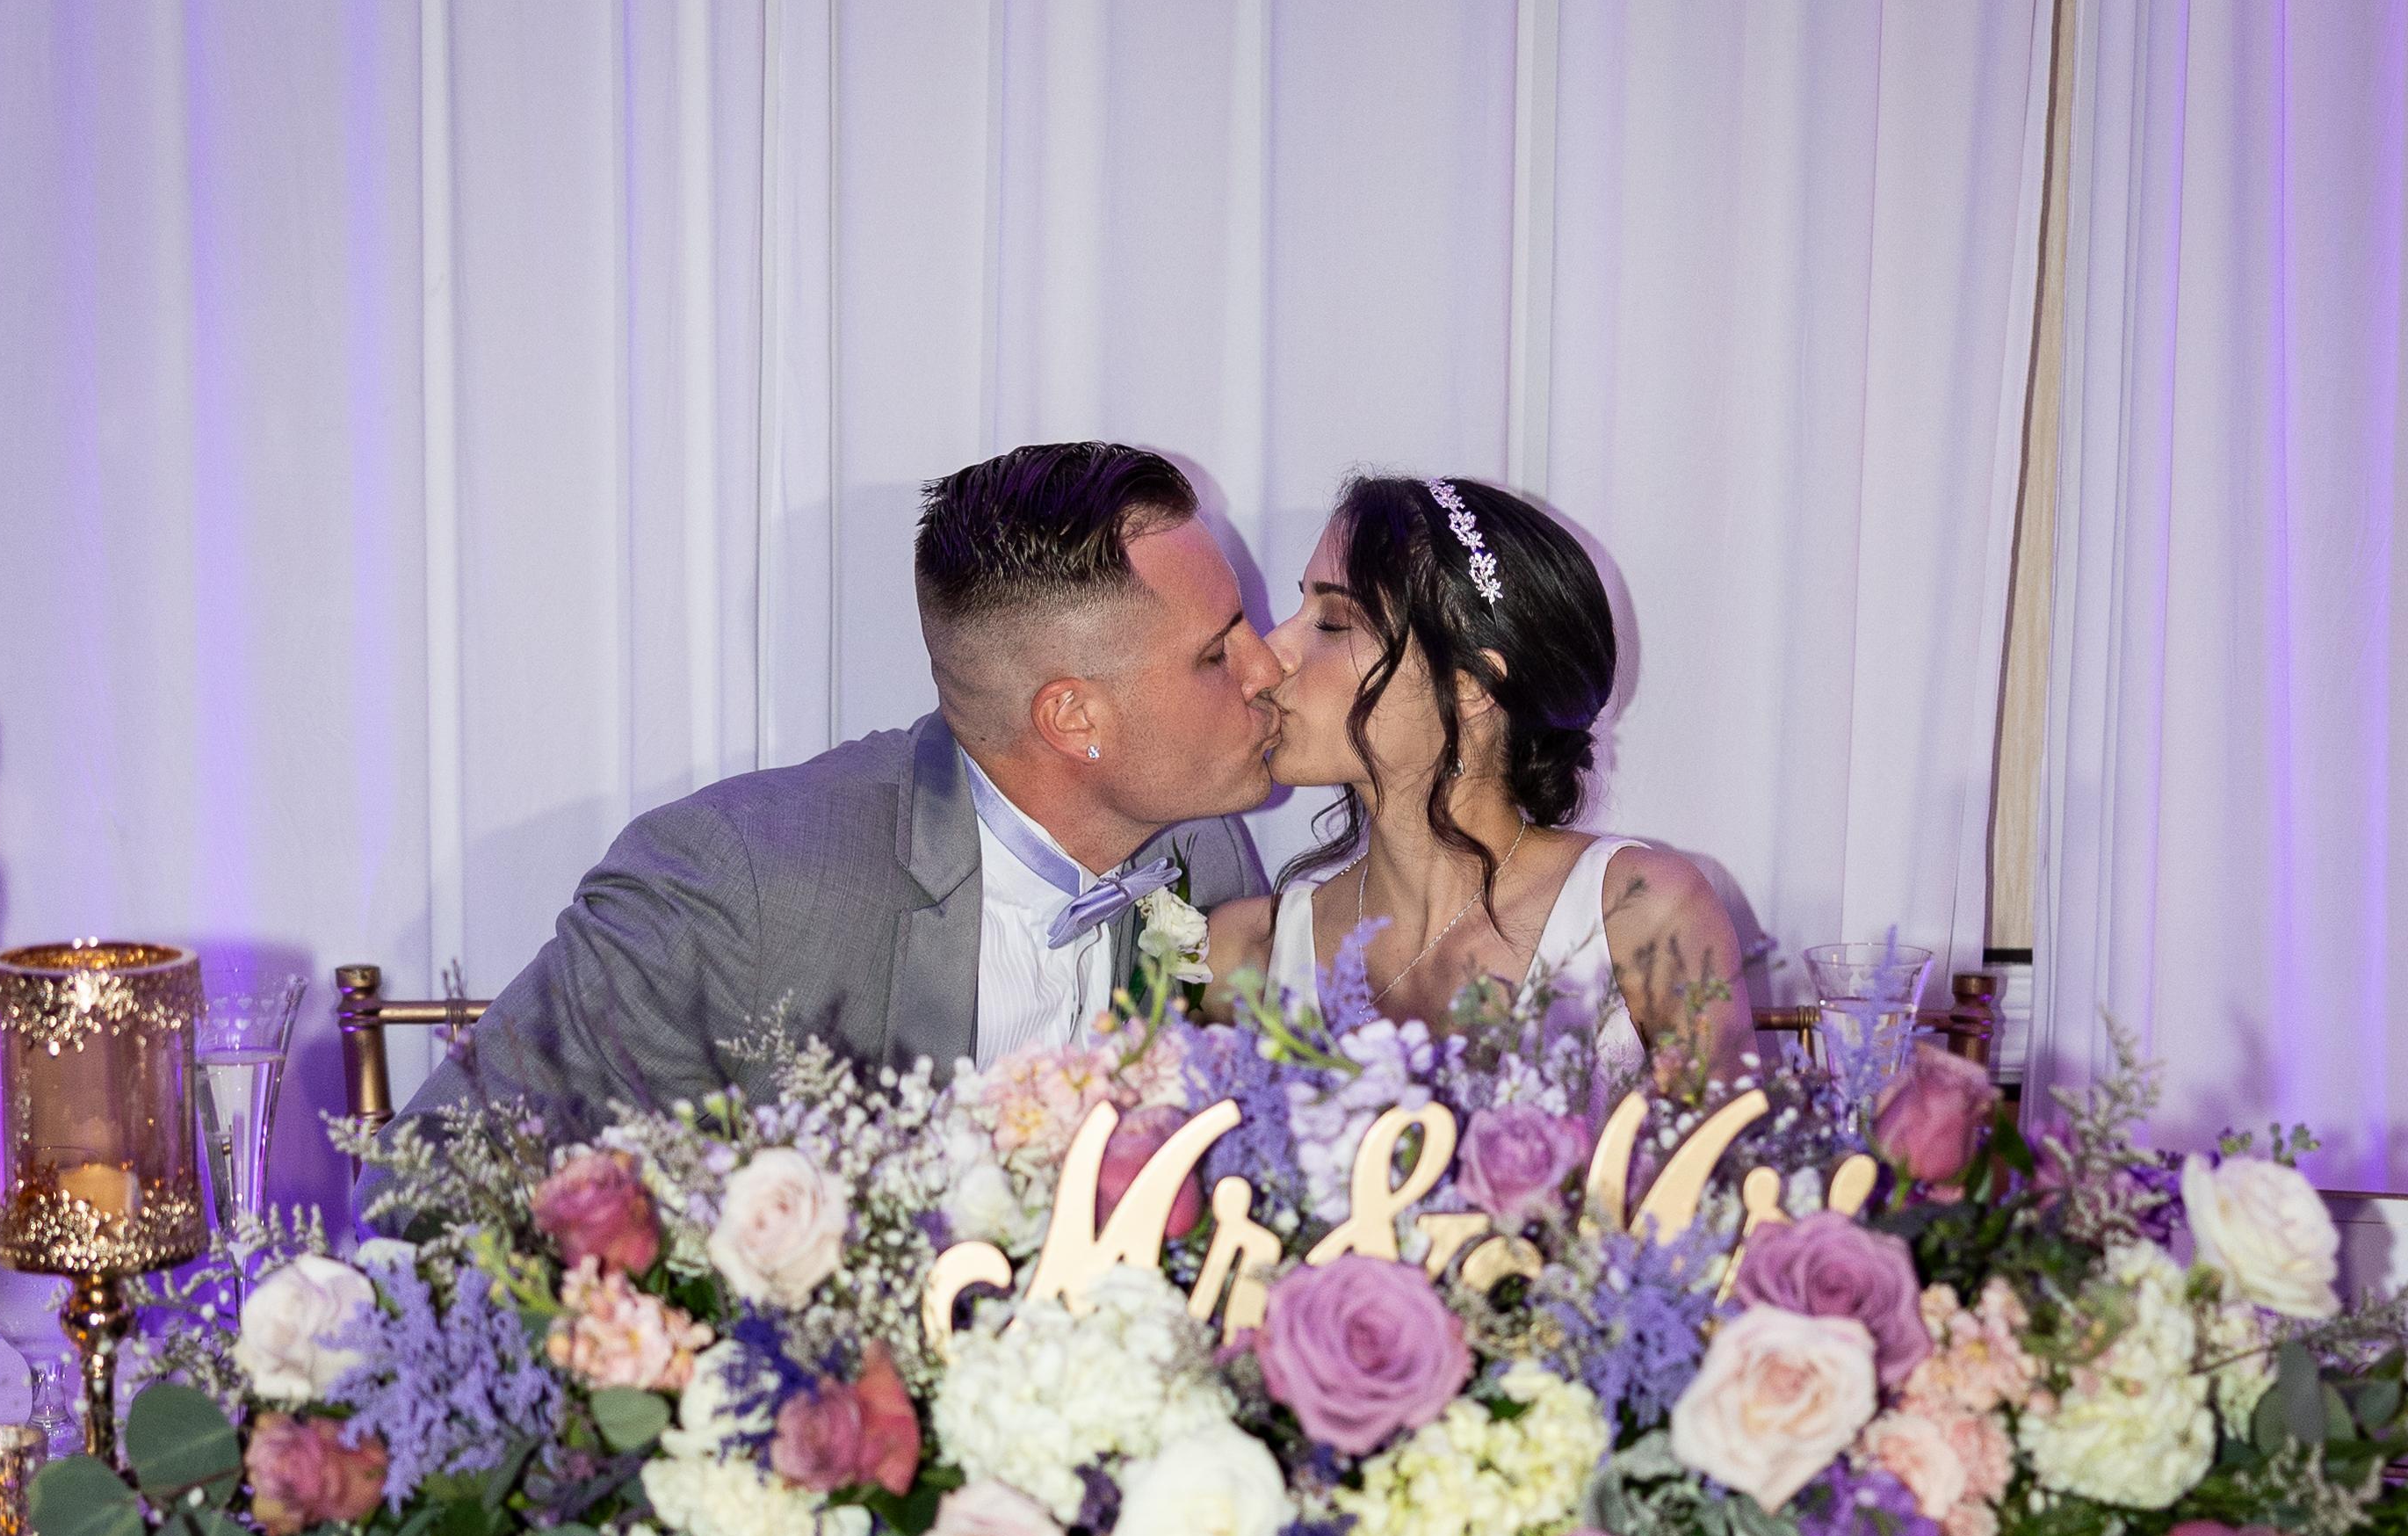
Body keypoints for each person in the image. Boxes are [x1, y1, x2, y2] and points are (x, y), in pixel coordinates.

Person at [401, 442, 1283, 1131]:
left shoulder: (1196, 847)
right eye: (1217, 653)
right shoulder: (738, 886)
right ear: (1071, 717)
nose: (1267, 667)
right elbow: (430, 1191)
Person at [1204, 474, 1750, 1084]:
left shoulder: (1641, 915)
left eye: (1332, 623)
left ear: (1470, 686)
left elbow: (1733, 1147)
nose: (1270, 652)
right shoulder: (1243, 956)